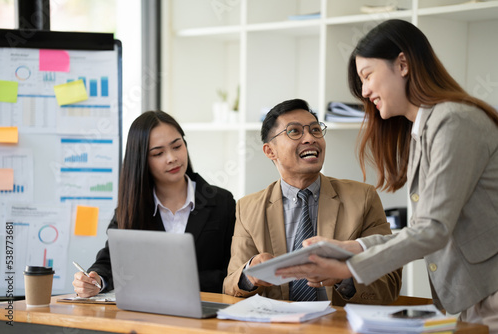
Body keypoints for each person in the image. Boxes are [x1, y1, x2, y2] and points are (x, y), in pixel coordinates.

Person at [276, 19, 498, 331]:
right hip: (471, 298)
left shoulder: (453, 121)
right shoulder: (427, 128)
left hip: (489, 296)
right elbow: (425, 228)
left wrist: (349, 268)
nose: (364, 91)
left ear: (403, 64)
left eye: (367, 76)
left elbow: (432, 230)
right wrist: (348, 247)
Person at [223, 98, 402, 306]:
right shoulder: (248, 208)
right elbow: (230, 286)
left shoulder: (363, 198)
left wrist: (343, 277)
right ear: (270, 151)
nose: (310, 138)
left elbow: (390, 284)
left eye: (315, 130)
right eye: (295, 131)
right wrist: (249, 274)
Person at [72, 111, 236, 297]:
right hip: (149, 315)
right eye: (158, 153)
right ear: (142, 161)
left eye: (177, 146)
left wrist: (178, 280)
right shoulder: (130, 209)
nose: (172, 158)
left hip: (207, 313)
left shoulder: (222, 202)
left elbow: (234, 270)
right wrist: (95, 281)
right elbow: (111, 263)